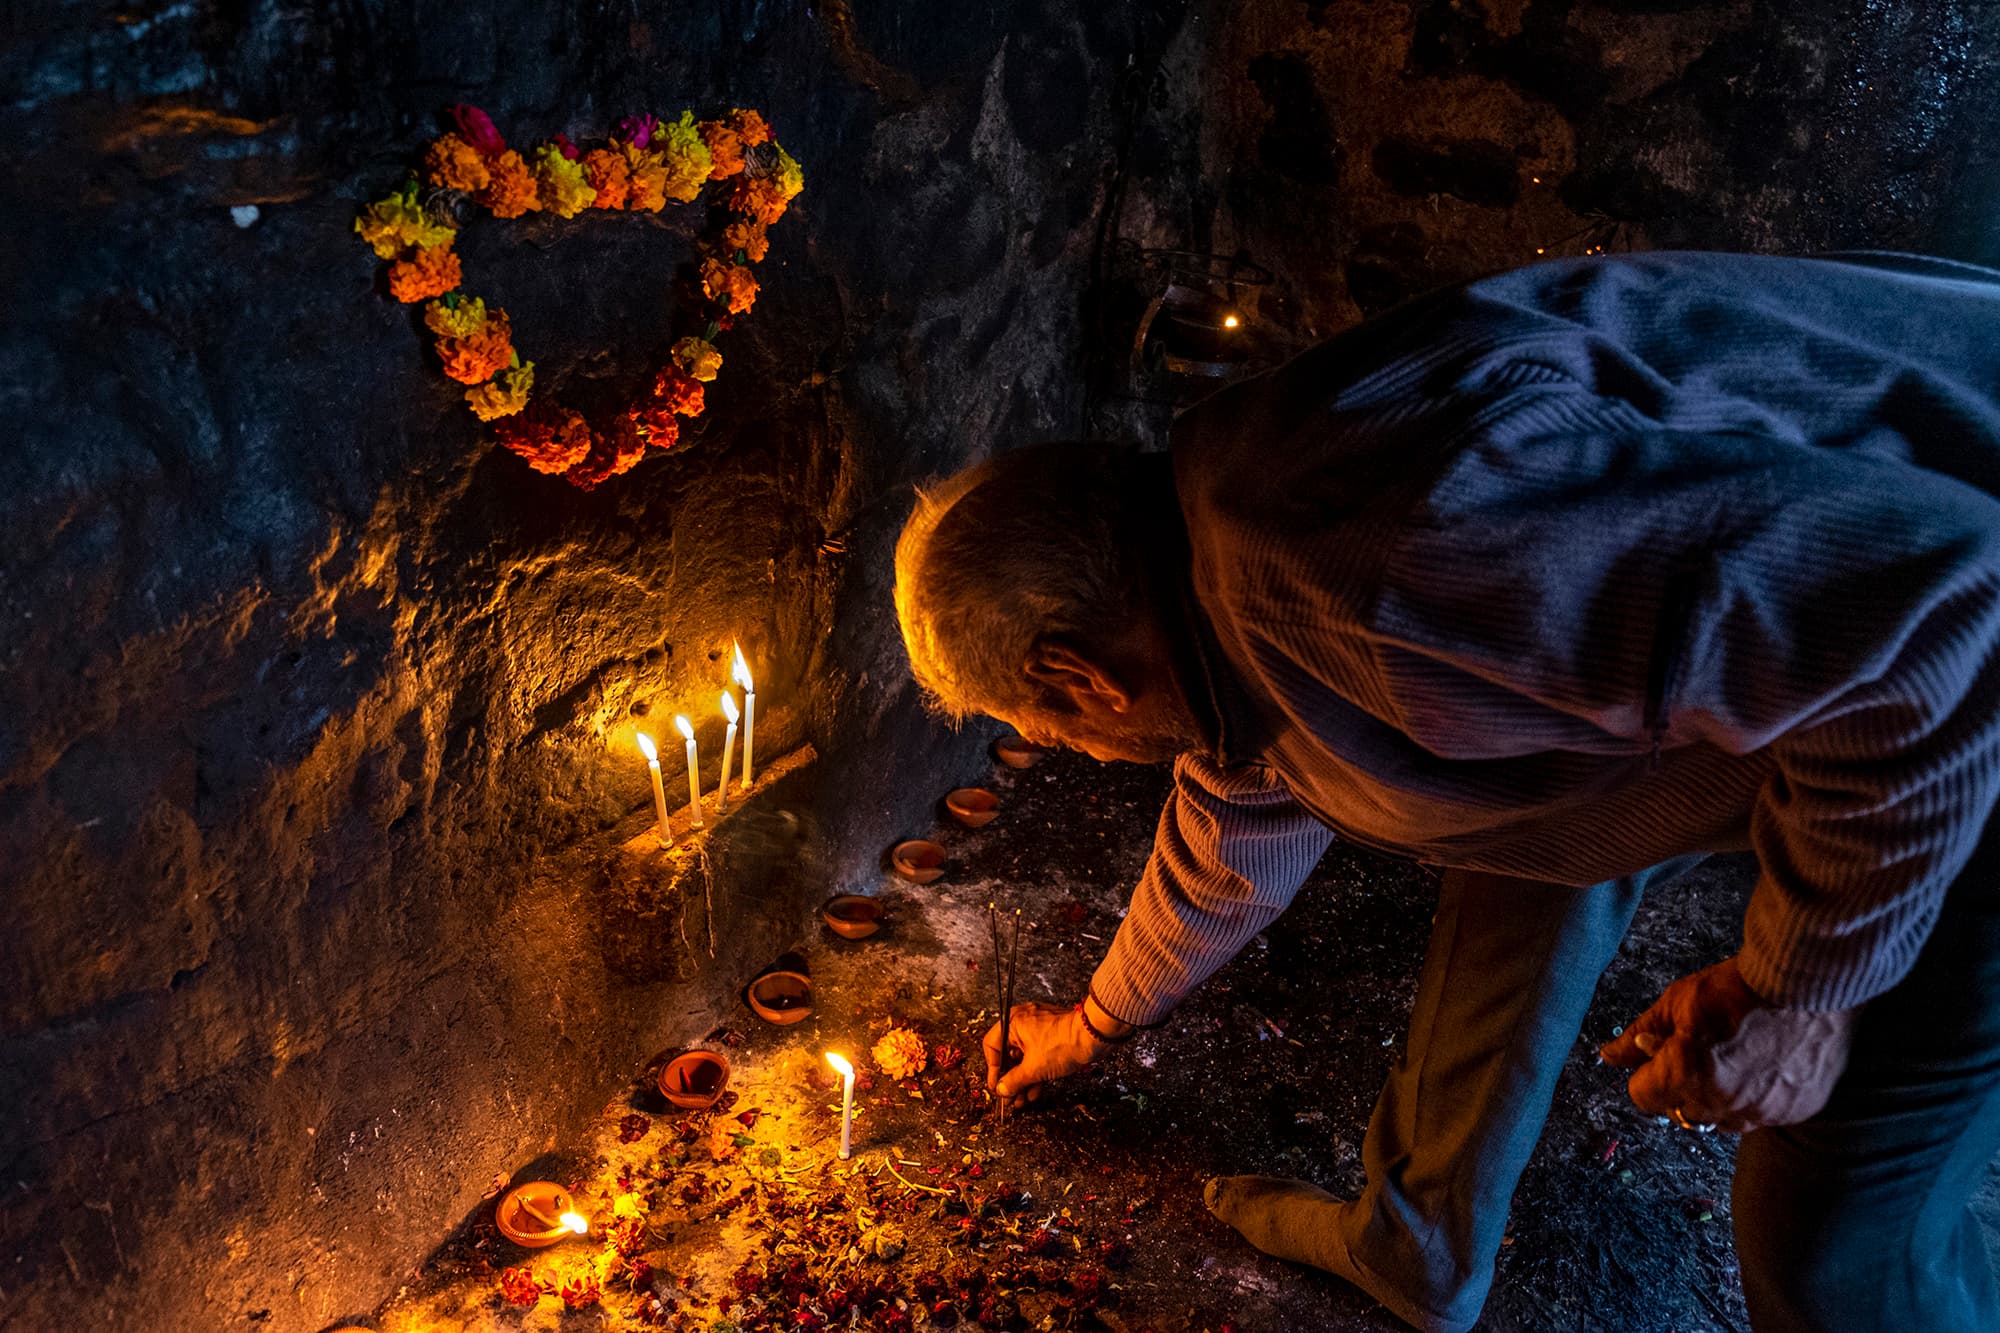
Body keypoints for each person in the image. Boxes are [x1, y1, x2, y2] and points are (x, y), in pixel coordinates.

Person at [891, 252, 2000, 1333]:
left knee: (1837, 1237)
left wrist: (1796, 992)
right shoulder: (1217, 546)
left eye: (1037, 729)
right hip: (1891, 636)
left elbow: (1937, 620)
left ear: (1079, 677)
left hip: (1970, 690)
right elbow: (1241, 810)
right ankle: (1417, 1241)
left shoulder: (1404, 562)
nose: (1061, 749)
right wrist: (1095, 1020)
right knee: (1507, 828)